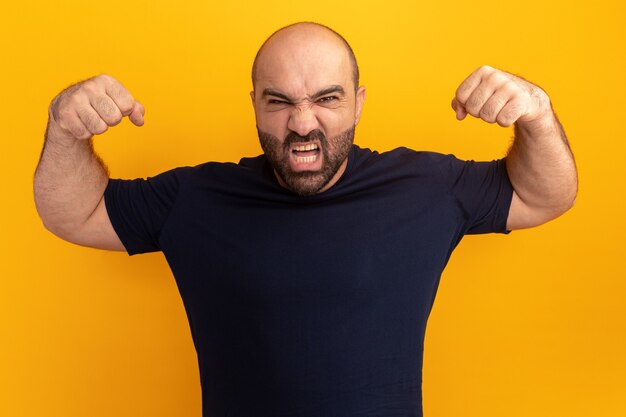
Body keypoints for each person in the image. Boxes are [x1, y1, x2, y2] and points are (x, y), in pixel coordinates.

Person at [34, 21, 577, 417]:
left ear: (359, 103)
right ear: (253, 104)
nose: (302, 123)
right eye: (279, 101)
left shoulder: (428, 188)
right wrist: (64, 129)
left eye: (326, 99)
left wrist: (537, 112)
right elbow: (74, 213)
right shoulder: (195, 198)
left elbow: (543, 196)